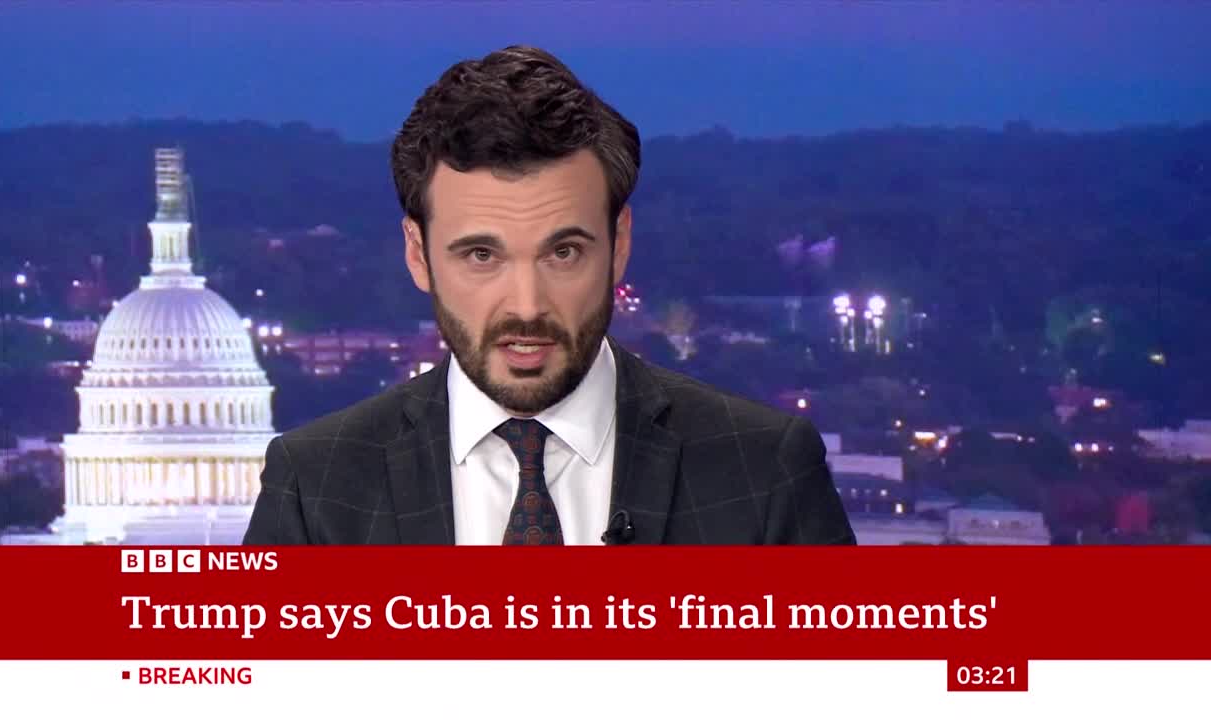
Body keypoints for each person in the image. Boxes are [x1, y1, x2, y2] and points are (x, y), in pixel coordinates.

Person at [243, 45, 855, 546]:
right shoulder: (317, 487)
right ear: (417, 253)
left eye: (563, 253)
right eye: (482, 255)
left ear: (618, 246)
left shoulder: (764, 470)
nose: (527, 306)